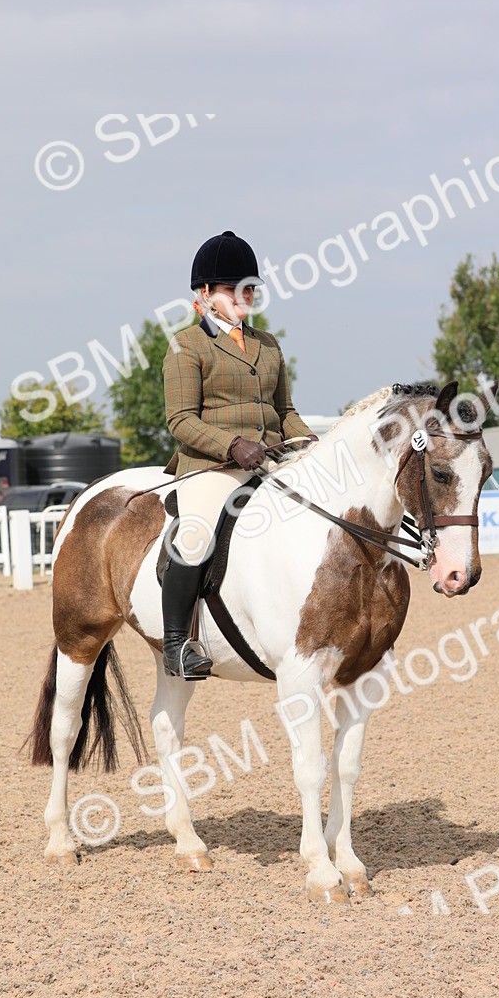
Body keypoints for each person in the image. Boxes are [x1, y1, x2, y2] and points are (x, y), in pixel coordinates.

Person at [160, 230, 316, 680]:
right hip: (212, 466)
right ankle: (176, 643)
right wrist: (232, 445)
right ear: (205, 294)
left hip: (270, 460)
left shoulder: (268, 344)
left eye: (249, 286)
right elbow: (181, 419)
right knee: (195, 535)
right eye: (233, 287)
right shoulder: (186, 346)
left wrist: (311, 445)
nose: (245, 294)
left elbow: (285, 412)